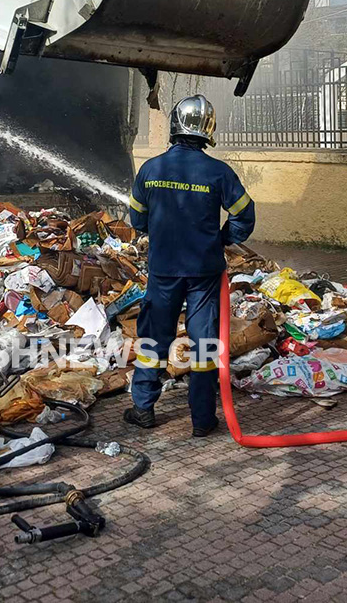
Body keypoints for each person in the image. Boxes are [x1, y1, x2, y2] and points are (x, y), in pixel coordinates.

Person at [124, 95, 255, 437]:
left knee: (153, 339)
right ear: (207, 131)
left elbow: (136, 219)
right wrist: (224, 238)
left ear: (174, 126)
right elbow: (244, 214)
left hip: (163, 271)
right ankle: (202, 420)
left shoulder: (150, 169)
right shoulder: (218, 172)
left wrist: (159, 232)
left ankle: (143, 408)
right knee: (204, 345)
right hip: (204, 275)